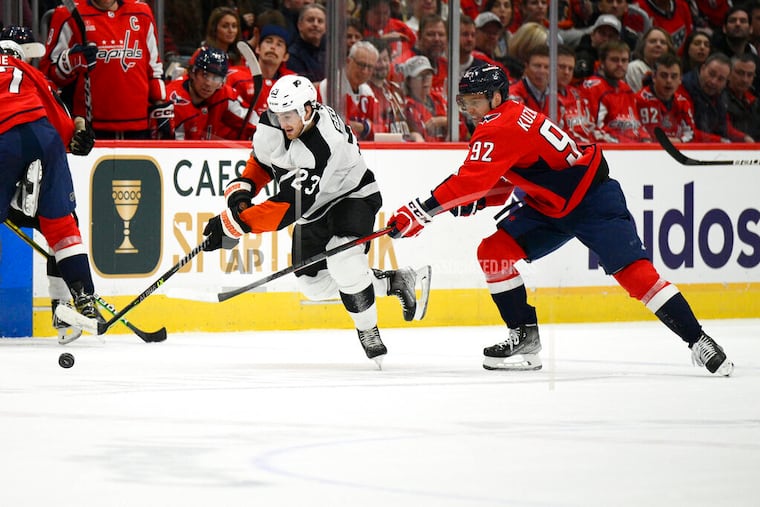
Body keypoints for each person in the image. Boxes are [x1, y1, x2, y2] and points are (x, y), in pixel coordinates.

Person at [386, 65, 733, 377]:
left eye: (476, 101)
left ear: (496, 97)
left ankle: (699, 340)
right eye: (465, 103)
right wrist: (475, 202)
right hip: (551, 205)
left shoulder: (498, 125)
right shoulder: (511, 115)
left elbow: (469, 181)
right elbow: (507, 177)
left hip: (593, 201)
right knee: (494, 253)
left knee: (637, 276)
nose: (471, 110)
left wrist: (418, 212)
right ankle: (524, 337)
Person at [201, 74, 431, 368]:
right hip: (313, 209)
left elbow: (288, 207)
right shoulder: (273, 122)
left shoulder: (323, 144)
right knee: (313, 286)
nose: (283, 122)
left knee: (344, 263)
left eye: (290, 115)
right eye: (279, 115)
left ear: (308, 109)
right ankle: (395, 281)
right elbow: (262, 162)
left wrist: (237, 224)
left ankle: (367, 328)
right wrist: (242, 194)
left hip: (352, 197)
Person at [1, 38, 103, 344]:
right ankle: (80, 299)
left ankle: (16, 203)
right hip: (43, 136)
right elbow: (66, 129)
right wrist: (78, 136)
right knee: (61, 223)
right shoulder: (28, 72)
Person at [41, 0, 171, 140]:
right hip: (88, 127)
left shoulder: (141, 12)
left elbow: (154, 67)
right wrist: (70, 62)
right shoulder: (68, 14)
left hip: (139, 127)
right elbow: (48, 73)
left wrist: (160, 105)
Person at [166, 47, 258, 140]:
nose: (208, 83)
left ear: (222, 82)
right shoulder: (172, 101)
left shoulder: (223, 94)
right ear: (192, 73)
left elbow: (256, 125)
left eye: (216, 78)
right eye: (204, 75)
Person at [582, 40, 651, 143]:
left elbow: (635, 124)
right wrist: (624, 142)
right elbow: (592, 130)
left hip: (630, 148)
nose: (620, 64)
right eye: (614, 60)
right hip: (608, 149)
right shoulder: (592, 87)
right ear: (601, 61)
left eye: (624, 60)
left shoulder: (626, 88)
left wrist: (646, 139)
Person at [681, 52, 752, 143]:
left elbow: (724, 126)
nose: (714, 81)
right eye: (711, 74)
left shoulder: (720, 94)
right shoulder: (684, 89)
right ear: (702, 69)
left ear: (726, 81)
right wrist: (719, 141)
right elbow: (688, 133)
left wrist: (744, 138)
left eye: (721, 79)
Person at [317, 40, 379, 141]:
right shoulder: (331, 87)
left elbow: (380, 127)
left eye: (370, 67)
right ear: (348, 61)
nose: (365, 71)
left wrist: (363, 127)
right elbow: (329, 126)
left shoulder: (367, 92)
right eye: (361, 65)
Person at [635, 52, 697, 143]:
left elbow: (691, 134)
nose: (669, 81)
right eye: (664, 76)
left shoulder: (683, 103)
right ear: (654, 77)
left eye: (674, 76)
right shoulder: (638, 100)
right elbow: (631, 130)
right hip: (646, 152)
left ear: (680, 79)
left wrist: (677, 141)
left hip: (675, 152)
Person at [367, 38, 421, 141]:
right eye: (378, 61)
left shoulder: (395, 88)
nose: (382, 65)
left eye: (385, 59)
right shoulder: (366, 92)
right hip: (385, 150)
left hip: (404, 149)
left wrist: (416, 135)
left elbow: (409, 123)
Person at [556, 44, 598, 144]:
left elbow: (591, 127)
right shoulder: (545, 97)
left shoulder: (578, 94)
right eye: (562, 67)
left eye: (570, 68)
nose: (566, 72)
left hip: (586, 149)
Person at [252, 24, 295, 117]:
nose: (273, 47)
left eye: (279, 44)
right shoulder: (237, 78)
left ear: (285, 56)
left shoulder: (292, 84)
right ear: (258, 48)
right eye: (268, 41)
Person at [625, 27, 676, 93]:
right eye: (653, 41)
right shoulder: (635, 68)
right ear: (643, 46)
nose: (658, 45)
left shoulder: (674, 69)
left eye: (663, 42)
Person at [286, 3, 327, 83]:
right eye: (311, 20)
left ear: (325, 27)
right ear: (300, 25)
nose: (315, 24)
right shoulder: (292, 55)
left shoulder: (330, 55)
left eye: (320, 21)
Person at [573, 14, 621, 82]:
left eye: (611, 36)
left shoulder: (622, 59)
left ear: (618, 40)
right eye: (602, 34)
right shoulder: (582, 56)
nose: (606, 39)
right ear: (592, 35)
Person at [725, 53, 759, 140]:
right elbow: (723, 127)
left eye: (750, 75)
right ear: (728, 73)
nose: (745, 79)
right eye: (740, 73)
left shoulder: (755, 102)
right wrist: (744, 138)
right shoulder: (719, 98)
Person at [508, 45, 550, 115]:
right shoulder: (513, 95)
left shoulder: (555, 96)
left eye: (547, 67)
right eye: (537, 66)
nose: (542, 71)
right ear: (526, 67)